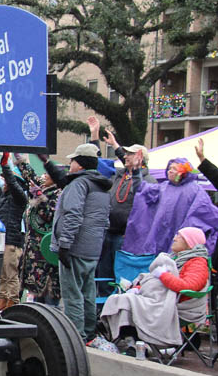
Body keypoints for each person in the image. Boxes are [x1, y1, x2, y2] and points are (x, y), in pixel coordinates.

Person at [100, 227, 211, 350]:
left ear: (189, 242)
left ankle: (135, 342)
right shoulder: (175, 258)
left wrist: (163, 275)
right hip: (163, 301)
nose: (174, 238)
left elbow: (189, 286)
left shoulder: (197, 263)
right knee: (122, 299)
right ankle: (133, 340)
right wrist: (139, 288)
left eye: (179, 236)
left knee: (127, 302)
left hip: (179, 307)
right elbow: (155, 281)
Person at [46, 143, 111, 341]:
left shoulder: (79, 184)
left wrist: (65, 244)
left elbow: (72, 214)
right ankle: (90, 333)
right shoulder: (102, 186)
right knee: (88, 293)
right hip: (93, 248)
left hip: (75, 247)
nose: (70, 164)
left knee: (72, 294)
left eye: (73, 160)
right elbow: (105, 220)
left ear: (80, 164)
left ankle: (76, 337)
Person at [87, 117, 157, 295]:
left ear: (140, 158)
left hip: (126, 237)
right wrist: (95, 136)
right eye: (124, 154)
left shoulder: (148, 181)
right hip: (108, 232)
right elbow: (98, 164)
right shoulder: (120, 174)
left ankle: (118, 306)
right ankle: (103, 307)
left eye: (130, 154)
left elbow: (141, 193)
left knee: (121, 277)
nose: (125, 156)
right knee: (103, 273)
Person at [123, 157, 218, 257]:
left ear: (183, 172)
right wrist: (136, 171)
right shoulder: (163, 187)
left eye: (174, 169)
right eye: (169, 168)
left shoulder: (195, 190)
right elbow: (142, 189)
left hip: (180, 243)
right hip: (159, 238)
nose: (170, 171)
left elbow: (207, 215)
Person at [15, 154, 61, 305]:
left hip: (46, 253)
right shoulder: (45, 187)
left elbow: (50, 215)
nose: (44, 176)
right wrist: (20, 159)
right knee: (36, 296)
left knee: (48, 299)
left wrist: (39, 197)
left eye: (48, 174)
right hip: (34, 251)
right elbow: (31, 178)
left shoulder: (59, 193)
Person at [0, 153, 28, 310]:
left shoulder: (20, 198)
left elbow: (13, 183)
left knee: (10, 275)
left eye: (6, 181)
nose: (4, 183)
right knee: (1, 274)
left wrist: (5, 165)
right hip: (2, 240)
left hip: (11, 241)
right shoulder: (2, 196)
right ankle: (1, 299)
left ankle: (12, 301)